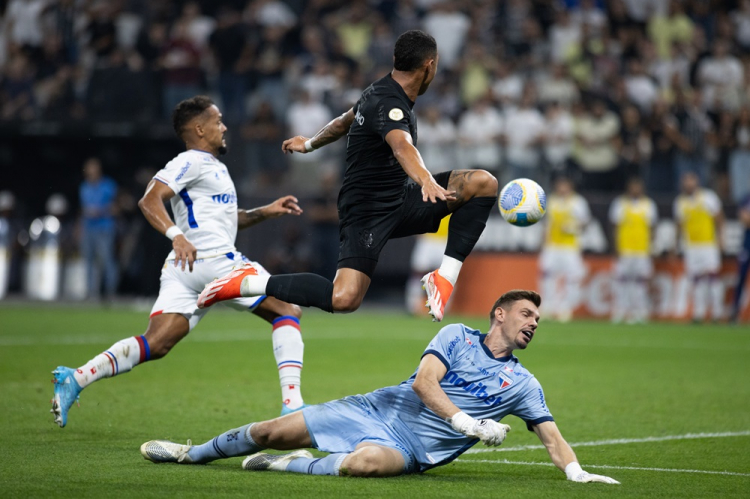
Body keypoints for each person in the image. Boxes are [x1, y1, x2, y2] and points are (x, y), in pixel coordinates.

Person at [140, 290, 619, 484]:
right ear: (500, 314)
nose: (534, 323)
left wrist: (576, 473)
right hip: (375, 409)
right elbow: (424, 384)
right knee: (267, 430)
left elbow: (551, 436)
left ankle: (292, 466)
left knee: (365, 465)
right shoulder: (455, 335)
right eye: (527, 314)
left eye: (538, 318)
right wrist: (468, 424)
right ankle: (193, 453)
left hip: (410, 449)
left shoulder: (523, 384)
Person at [197, 31, 498, 322]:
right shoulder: (390, 104)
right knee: (344, 299)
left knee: (483, 183)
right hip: (365, 212)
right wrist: (426, 180)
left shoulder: (377, 91)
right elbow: (402, 147)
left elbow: (344, 122)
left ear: (396, 59)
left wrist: (310, 143)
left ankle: (443, 277)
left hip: (400, 199)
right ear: (429, 65)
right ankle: (248, 282)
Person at [51, 96, 308, 428]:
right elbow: (149, 199)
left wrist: (265, 211)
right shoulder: (190, 161)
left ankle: (76, 378)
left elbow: (227, 222)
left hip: (186, 268)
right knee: (287, 310)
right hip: (213, 260)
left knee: (156, 343)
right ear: (199, 129)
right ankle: (293, 408)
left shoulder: (213, 167)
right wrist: (175, 234)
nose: (224, 126)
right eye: (218, 121)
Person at [673, 172, 725, 323]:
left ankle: (717, 313)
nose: (688, 184)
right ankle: (698, 313)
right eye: (686, 181)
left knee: (713, 277)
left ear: (697, 181)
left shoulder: (708, 197)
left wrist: (721, 239)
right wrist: (675, 245)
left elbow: (720, 219)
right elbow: (679, 225)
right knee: (695, 280)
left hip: (708, 244)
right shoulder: (680, 202)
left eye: (691, 180)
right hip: (691, 246)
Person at [539, 176, 591, 322]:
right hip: (552, 245)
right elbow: (546, 222)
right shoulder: (551, 200)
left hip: (570, 247)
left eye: (564, 185)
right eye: (559, 185)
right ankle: (547, 306)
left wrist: (573, 227)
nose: (562, 188)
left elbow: (586, 223)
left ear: (570, 186)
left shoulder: (578, 202)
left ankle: (565, 308)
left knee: (572, 278)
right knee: (547, 276)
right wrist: (542, 241)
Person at [608, 177, 658, 324]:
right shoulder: (620, 204)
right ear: (628, 187)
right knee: (621, 282)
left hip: (642, 250)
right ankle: (621, 311)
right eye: (633, 186)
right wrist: (615, 247)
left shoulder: (649, 205)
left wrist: (651, 247)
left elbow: (652, 228)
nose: (635, 189)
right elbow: (614, 227)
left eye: (638, 186)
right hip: (625, 250)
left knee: (640, 282)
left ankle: (640, 312)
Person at [79, 157, 119, 300]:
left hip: (104, 228)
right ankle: (91, 293)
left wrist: (100, 211)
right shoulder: (84, 187)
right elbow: (83, 209)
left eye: (93, 167)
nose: (90, 171)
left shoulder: (108, 185)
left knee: (107, 260)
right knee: (88, 261)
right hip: (89, 228)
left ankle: (110, 292)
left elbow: (116, 207)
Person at [730, 194, 750, 323]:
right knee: (741, 277)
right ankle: (735, 312)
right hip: (747, 241)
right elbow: (744, 219)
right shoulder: (746, 198)